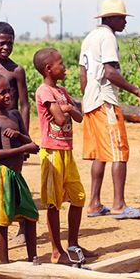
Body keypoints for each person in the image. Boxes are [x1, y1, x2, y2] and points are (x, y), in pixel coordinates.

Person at [79, 0, 140, 219]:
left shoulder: (89, 37)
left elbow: (82, 74)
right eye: (122, 18)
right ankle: (119, 205)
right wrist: (137, 91)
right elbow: (110, 72)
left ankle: (94, 204)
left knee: (101, 155)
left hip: (91, 102)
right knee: (119, 152)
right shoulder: (108, 37)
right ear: (111, 19)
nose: (125, 22)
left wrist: (86, 98)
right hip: (105, 102)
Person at [33, 48, 96, 263]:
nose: (65, 67)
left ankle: (73, 244)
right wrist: (67, 109)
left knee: (78, 197)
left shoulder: (60, 91)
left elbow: (78, 117)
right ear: (49, 69)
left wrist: (67, 106)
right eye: (60, 63)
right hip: (52, 153)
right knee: (53, 203)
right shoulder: (44, 91)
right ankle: (56, 251)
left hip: (66, 151)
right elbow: (60, 120)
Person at [0, 74, 39, 263]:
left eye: (9, 91)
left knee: (30, 215)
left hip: (16, 174)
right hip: (2, 174)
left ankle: (33, 258)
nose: (8, 95)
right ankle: (5, 264)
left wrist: (19, 135)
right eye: (2, 93)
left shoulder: (15, 115)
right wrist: (25, 148)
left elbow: (32, 143)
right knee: (3, 219)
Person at [0, 22, 29, 251]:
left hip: (11, 135)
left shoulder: (16, 70)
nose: (6, 47)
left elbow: (24, 105)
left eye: (10, 43)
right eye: (2, 43)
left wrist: (24, 136)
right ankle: (1, 234)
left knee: (14, 181)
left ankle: (22, 229)